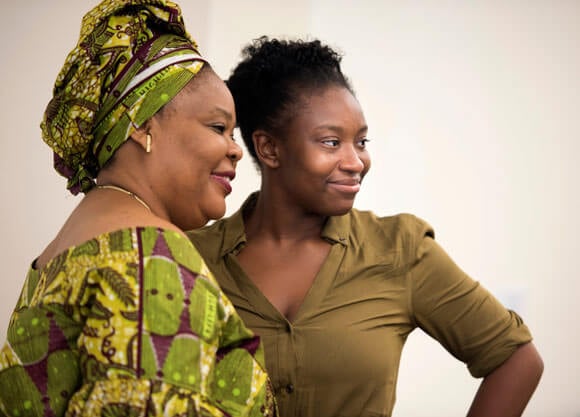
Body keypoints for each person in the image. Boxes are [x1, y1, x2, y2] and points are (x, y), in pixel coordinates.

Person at [188, 37, 544, 417]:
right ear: (269, 149)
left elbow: (516, 358)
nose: (356, 161)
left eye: (361, 142)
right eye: (331, 142)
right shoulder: (193, 257)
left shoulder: (401, 249)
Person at [0, 2, 276, 416]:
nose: (237, 149)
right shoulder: (152, 254)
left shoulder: (55, 256)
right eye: (218, 127)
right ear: (142, 125)